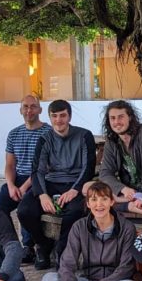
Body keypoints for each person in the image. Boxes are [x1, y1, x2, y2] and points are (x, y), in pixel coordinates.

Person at [41, 181, 139, 281]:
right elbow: (67, 264)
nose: (99, 204)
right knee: (48, 279)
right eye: (94, 199)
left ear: (111, 202)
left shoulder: (127, 228)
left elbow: (126, 268)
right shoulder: (79, 227)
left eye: (104, 199)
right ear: (88, 204)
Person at [19, 99, 96, 267]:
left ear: (69, 116)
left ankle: (63, 252)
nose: (58, 120)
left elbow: (88, 167)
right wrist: (42, 195)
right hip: (51, 183)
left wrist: (75, 189)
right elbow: (37, 170)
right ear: (49, 117)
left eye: (62, 115)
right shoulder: (44, 139)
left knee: (75, 211)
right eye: (54, 116)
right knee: (24, 211)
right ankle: (43, 245)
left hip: (75, 183)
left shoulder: (84, 136)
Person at [0, 95, 51, 267]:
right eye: (25, 106)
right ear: (20, 110)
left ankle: (31, 245)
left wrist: (24, 187)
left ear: (40, 110)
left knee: (25, 208)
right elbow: (10, 165)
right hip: (17, 178)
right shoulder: (14, 134)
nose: (29, 110)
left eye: (33, 106)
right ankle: (13, 246)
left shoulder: (47, 133)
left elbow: (44, 167)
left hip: (39, 178)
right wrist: (11, 185)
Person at [93, 99, 142, 216]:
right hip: (130, 191)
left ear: (130, 117)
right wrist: (122, 189)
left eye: (120, 117)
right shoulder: (112, 140)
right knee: (88, 189)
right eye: (112, 118)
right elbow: (105, 172)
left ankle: (120, 204)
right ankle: (128, 204)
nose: (116, 122)